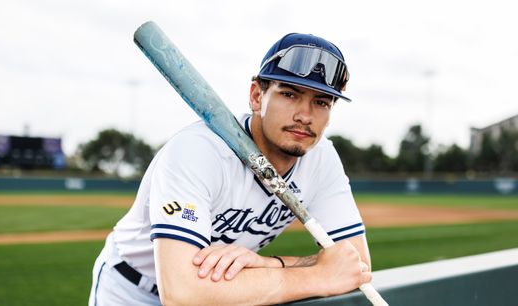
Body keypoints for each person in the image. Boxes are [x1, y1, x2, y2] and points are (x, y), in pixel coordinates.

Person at [89, 32, 372, 306]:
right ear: (256, 96)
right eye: (289, 94)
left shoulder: (322, 160)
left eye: (321, 102)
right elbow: (182, 293)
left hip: (223, 291)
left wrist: (271, 264)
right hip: (131, 289)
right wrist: (314, 276)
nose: (304, 115)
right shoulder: (198, 151)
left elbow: (355, 263)